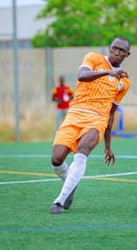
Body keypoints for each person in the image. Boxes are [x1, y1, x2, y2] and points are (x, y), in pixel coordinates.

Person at [50, 36, 131, 214]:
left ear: (127, 54)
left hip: (98, 119)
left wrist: (108, 146)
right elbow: (82, 76)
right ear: (109, 48)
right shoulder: (94, 58)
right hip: (75, 114)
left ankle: (59, 201)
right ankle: (70, 186)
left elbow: (110, 114)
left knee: (81, 153)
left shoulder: (124, 82)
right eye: (115, 48)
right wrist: (108, 72)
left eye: (122, 50)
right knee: (56, 160)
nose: (117, 52)